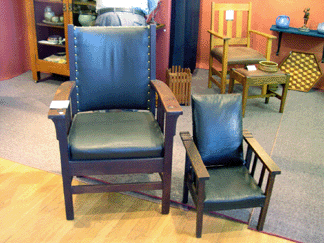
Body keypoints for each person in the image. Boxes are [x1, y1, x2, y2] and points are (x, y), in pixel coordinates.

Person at [95, 0, 160, 26]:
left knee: (103, 54)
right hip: (132, 18)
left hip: (104, 17)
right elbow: (153, 3)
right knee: (132, 54)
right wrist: (146, 12)